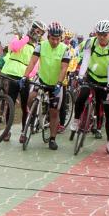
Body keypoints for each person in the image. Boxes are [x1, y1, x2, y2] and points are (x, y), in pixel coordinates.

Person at [75, 20, 109, 155]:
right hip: (92, 75)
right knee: (81, 95)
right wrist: (80, 75)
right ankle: (76, 120)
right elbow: (85, 60)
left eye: (105, 34)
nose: (102, 37)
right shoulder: (91, 42)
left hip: (107, 79)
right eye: (99, 34)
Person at [24, 21, 72, 150]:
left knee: (54, 112)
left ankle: (52, 138)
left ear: (60, 38)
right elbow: (32, 62)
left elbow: (64, 68)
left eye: (57, 39)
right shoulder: (41, 45)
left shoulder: (65, 49)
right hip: (42, 78)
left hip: (56, 83)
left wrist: (59, 84)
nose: (55, 42)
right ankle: (32, 116)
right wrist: (25, 76)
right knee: (30, 97)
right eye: (52, 39)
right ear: (48, 36)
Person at [0, 23, 39, 142]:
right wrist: (25, 39)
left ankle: (23, 132)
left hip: (24, 79)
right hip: (12, 76)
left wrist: (28, 76)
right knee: (10, 104)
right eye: (30, 36)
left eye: (33, 37)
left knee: (24, 105)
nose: (31, 38)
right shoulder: (18, 40)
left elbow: (35, 66)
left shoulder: (35, 48)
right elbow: (14, 48)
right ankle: (7, 131)